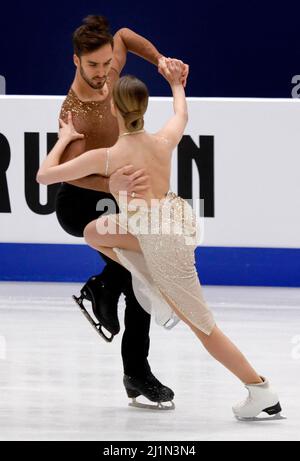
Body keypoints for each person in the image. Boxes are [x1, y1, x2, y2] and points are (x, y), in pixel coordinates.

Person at [37, 59, 284, 421]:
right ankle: (148, 280)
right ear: (143, 108)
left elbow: (44, 176)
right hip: (165, 223)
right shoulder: (163, 140)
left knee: (204, 327)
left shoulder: (108, 156)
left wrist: (62, 142)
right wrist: (176, 83)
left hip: (162, 243)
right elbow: (181, 112)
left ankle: (260, 389)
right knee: (94, 230)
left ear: (114, 110)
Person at [53, 15, 188, 409]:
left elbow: (126, 34)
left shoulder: (110, 71)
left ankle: (103, 289)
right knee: (138, 276)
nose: (101, 74)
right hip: (80, 203)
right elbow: (73, 175)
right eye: (92, 65)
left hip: (114, 199)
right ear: (75, 60)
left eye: (105, 63)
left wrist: (161, 61)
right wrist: (116, 183)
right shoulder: (74, 112)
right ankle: (136, 370)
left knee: (139, 276)